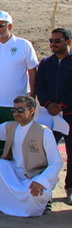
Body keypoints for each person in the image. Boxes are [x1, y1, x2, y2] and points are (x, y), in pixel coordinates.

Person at [0, 95, 63, 217]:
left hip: (35, 176)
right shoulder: (11, 126)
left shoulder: (43, 131)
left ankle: (41, 200)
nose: (16, 113)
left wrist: (42, 181)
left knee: (35, 194)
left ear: (32, 111)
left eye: (20, 110)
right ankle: (6, 202)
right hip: (15, 172)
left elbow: (56, 162)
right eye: (14, 110)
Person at [35, 27, 72, 204]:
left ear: (68, 42)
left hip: (69, 114)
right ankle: (43, 186)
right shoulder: (46, 63)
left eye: (57, 41)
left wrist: (63, 105)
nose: (53, 44)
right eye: (51, 41)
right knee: (45, 151)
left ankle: (70, 187)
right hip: (49, 115)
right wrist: (48, 103)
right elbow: (39, 86)